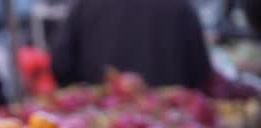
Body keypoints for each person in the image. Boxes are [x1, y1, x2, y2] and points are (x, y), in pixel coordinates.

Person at [51, 0, 213, 90]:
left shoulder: (85, 5)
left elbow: (61, 64)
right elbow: (200, 72)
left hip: (101, 121)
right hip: (168, 123)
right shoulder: (180, 6)